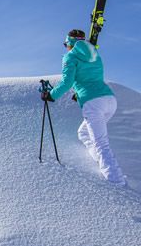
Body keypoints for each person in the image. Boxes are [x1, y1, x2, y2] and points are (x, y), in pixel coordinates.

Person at [41, 29, 126, 186]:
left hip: (93, 103)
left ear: (71, 43)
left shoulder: (70, 56)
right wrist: (79, 93)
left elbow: (67, 82)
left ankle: (117, 182)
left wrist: (51, 95)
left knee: (101, 143)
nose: (66, 47)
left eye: (66, 44)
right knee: (84, 132)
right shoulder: (94, 54)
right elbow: (90, 78)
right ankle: (102, 164)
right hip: (109, 99)